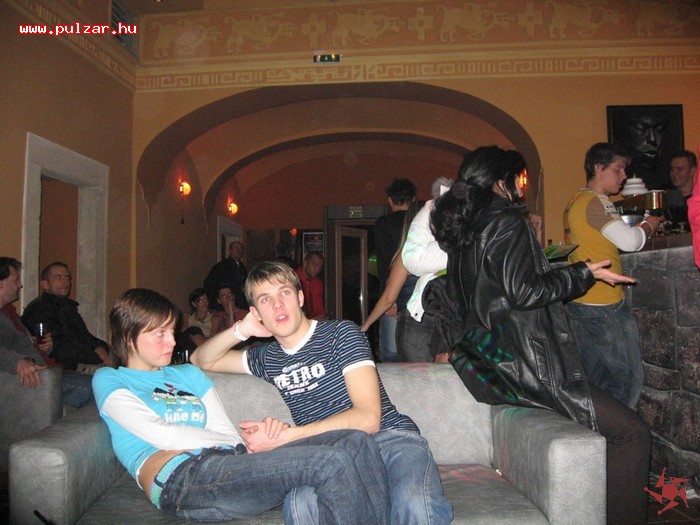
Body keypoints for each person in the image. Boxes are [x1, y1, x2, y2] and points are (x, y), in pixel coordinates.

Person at [431, 146, 650, 525]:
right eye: (517, 179)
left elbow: (489, 291)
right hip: (527, 366)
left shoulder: (467, 227)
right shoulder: (504, 220)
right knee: (631, 433)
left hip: (493, 363)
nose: (520, 187)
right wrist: (583, 273)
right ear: (500, 181)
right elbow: (524, 291)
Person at [93, 288, 390, 524]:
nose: (171, 342)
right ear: (128, 336)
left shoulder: (187, 374)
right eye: (159, 333)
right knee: (328, 462)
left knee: (355, 441)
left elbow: (225, 431)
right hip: (179, 480)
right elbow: (164, 435)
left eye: (171, 331)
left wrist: (255, 441)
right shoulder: (110, 379)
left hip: (229, 462)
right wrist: (232, 444)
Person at [191, 261, 452, 525]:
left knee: (414, 504)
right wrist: (242, 330)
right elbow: (201, 359)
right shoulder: (267, 358)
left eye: (284, 292)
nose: (278, 305)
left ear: (300, 297)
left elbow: (368, 418)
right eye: (265, 299)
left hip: (389, 440)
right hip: (327, 459)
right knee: (301, 505)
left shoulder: (341, 334)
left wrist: (287, 437)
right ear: (256, 312)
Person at [563, 143, 663, 408]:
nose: (624, 176)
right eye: (618, 169)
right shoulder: (596, 201)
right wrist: (649, 224)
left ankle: (594, 431)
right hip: (603, 305)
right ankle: (620, 431)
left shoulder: (575, 200)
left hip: (583, 301)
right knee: (627, 379)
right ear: (599, 168)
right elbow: (630, 242)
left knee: (595, 381)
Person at [0, 257, 93, 408]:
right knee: (99, 389)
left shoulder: (10, 314)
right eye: (16, 280)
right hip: (39, 377)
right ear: (1, 283)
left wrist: (43, 348)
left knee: (106, 382)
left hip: (51, 370)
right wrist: (17, 362)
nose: (20, 285)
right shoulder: (37, 309)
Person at [22, 262, 113, 373]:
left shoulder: (68, 308)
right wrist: (96, 358)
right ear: (45, 284)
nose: (65, 281)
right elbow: (59, 348)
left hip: (83, 360)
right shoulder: (39, 310)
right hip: (63, 368)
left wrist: (100, 347)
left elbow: (85, 337)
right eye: (58, 277)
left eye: (67, 278)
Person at [400, 177, 453, 362]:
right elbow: (411, 261)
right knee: (421, 379)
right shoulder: (430, 213)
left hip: (449, 316)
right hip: (422, 317)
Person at [361, 200, 422, 360]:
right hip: (437, 325)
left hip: (412, 323)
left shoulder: (407, 254)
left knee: (393, 359)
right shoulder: (441, 251)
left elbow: (388, 298)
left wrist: (366, 325)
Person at [374, 178, 416, 362]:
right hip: (417, 297)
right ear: (413, 200)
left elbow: (384, 265)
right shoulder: (419, 222)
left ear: (390, 200)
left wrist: (389, 300)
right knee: (417, 355)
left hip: (391, 293)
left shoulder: (383, 224)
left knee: (391, 355)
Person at [203, 241, 249, 314]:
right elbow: (209, 285)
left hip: (240, 305)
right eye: (236, 248)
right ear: (230, 250)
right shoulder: (221, 267)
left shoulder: (242, 268)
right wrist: (215, 305)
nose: (239, 250)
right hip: (225, 307)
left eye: (241, 248)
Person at [666, 150, 698, 227]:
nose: (674, 173)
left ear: (692, 171)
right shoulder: (665, 198)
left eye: (679, 169)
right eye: (672, 169)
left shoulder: (697, 199)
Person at [295, 251, 327, 320]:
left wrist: (321, 317)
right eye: (315, 265)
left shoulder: (317, 283)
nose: (317, 269)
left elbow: (319, 307)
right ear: (305, 263)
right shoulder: (293, 279)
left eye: (320, 267)